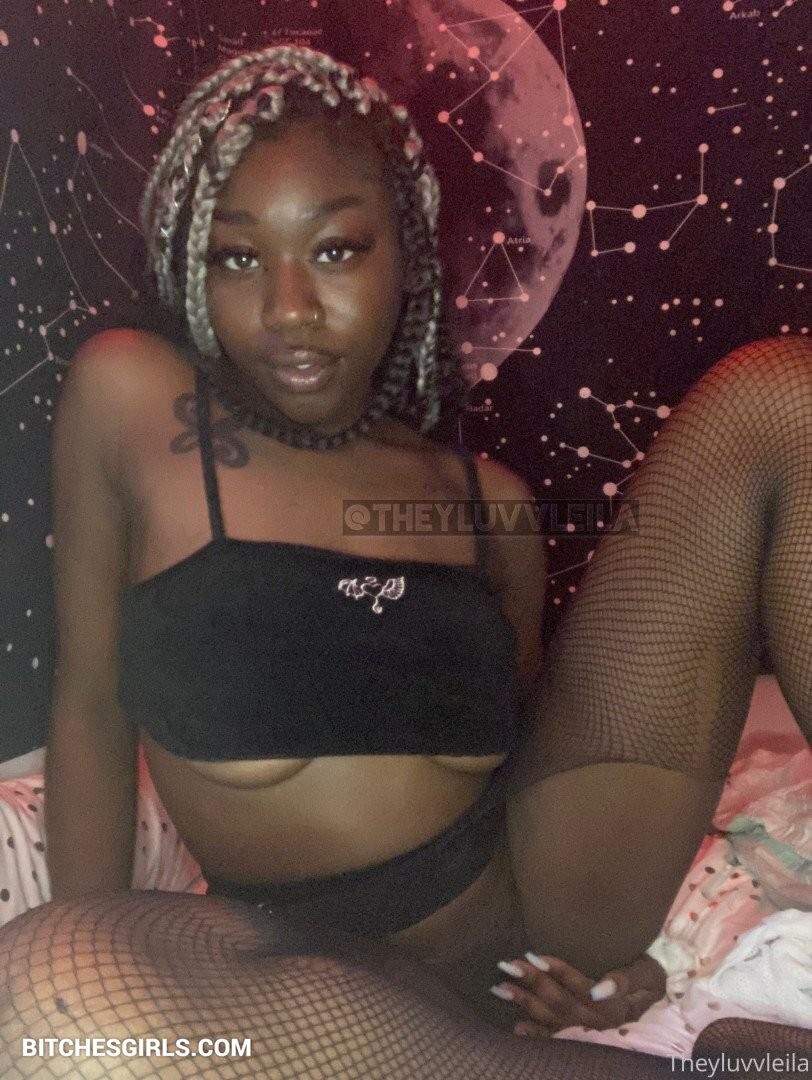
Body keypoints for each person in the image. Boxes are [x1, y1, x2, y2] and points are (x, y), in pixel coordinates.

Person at [0, 45, 808, 1079]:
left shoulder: (488, 504)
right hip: (302, 965)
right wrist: (99, 939)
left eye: (336, 250)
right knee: (54, 1009)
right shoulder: (133, 401)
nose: (288, 307)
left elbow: (521, 745)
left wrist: (646, 958)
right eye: (237, 258)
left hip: (532, 918)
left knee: (784, 397)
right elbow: (89, 705)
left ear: (406, 257)